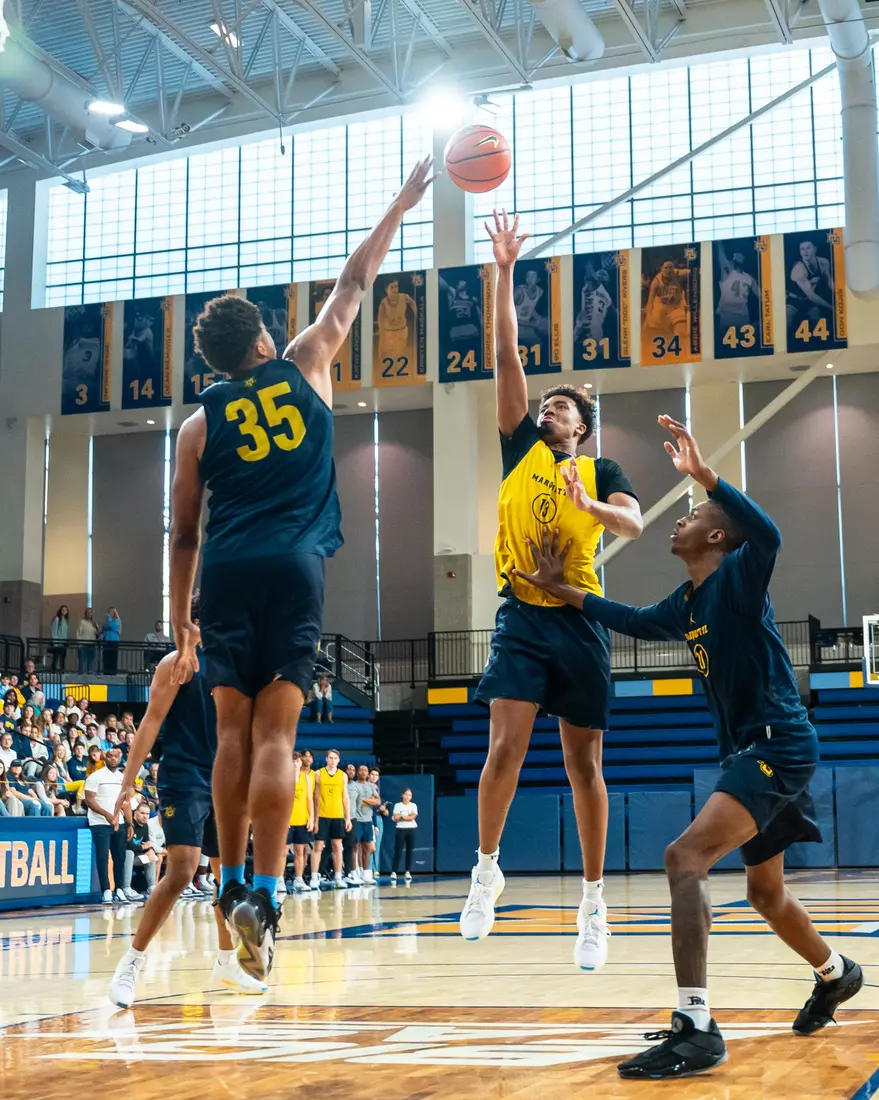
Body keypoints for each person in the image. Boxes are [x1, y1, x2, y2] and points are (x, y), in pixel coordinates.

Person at [514, 414, 865, 1079]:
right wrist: (561, 588)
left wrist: (707, 474)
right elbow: (632, 622)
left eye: (693, 511)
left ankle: (695, 1025)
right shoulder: (689, 601)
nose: (679, 518)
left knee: (683, 857)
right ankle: (835, 971)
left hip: (774, 746)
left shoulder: (737, 581)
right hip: (755, 752)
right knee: (765, 894)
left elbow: (769, 534)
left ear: (714, 536)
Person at [167, 157, 437, 979]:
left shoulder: (196, 425)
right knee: (279, 735)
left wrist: (179, 618)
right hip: (294, 567)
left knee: (231, 735)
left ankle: (228, 884)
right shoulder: (305, 359)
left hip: (225, 571)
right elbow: (355, 282)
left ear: (214, 365)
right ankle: (270, 895)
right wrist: (400, 200)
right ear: (259, 340)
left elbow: (182, 532)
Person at [459, 211, 642, 972]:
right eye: (546, 402)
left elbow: (630, 525)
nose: (548, 408)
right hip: (520, 618)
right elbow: (505, 352)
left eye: (562, 406)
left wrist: (585, 503)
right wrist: (504, 270)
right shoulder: (517, 450)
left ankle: (592, 903)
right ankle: (484, 872)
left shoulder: (599, 474)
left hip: (577, 620)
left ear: (583, 426)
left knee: (584, 768)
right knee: (504, 746)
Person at [109, 595, 265, 1004]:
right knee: (181, 870)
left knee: (229, 878)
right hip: (183, 776)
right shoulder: (175, 665)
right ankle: (131, 962)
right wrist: (129, 779)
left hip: (224, 780)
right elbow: (151, 721)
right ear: (198, 622)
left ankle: (228, 962)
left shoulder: (232, 665)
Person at [85, 746, 130, 904]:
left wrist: (129, 823)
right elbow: (89, 800)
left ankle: (119, 889)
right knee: (103, 857)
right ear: (105, 758)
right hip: (99, 822)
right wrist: (107, 815)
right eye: (110, 756)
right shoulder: (95, 776)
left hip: (119, 822)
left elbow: (125, 802)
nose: (113, 759)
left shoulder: (122, 777)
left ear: (120, 759)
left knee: (120, 857)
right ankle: (106, 891)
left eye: (116, 756)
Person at [310, 749, 351, 890]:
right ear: (326, 759)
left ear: (339, 760)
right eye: (330, 758)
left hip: (338, 815)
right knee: (318, 846)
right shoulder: (318, 774)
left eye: (335, 758)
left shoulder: (343, 776)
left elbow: (345, 797)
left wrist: (348, 818)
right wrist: (314, 819)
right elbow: (315, 797)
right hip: (322, 815)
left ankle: (338, 877)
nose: (333, 760)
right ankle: (314, 876)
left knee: (337, 847)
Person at [787, 239, 834, 330]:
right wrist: (832, 308)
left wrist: (840, 298)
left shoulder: (824, 262)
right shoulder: (799, 268)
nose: (805, 251)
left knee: (820, 325)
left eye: (808, 248)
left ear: (815, 249)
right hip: (793, 301)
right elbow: (812, 296)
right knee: (786, 327)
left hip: (808, 302)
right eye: (802, 249)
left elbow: (830, 283)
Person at [287, 750, 315, 892]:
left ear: (300, 762)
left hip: (302, 819)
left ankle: (299, 879)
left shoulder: (306, 778)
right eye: (292, 761)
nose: (295, 763)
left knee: (300, 851)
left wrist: (311, 817)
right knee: (283, 852)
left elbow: (309, 799)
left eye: (297, 761)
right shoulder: (283, 777)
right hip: (287, 820)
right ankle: (279, 880)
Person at [716, 249, 757, 332]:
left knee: (742, 342)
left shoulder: (750, 278)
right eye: (735, 256)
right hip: (726, 314)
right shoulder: (727, 273)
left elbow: (761, 295)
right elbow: (722, 259)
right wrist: (719, 244)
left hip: (742, 316)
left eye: (740, 255)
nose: (737, 256)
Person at [352, 764, 380, 886]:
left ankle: (367, 874)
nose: (363, 772)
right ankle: (357, 872)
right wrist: (369, 800)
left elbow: (378, 801)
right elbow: (355, 803)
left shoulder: (371, 786)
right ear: (358, 772)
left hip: (368, 821)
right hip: (357, 820)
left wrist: (364, 800)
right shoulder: (353, 785)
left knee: (368, 848)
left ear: (368, 773)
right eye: (361, 770)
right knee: (356, 847)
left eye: (365, 770)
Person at [391, 789, 418, 883]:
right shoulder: (397, 805)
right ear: (402, 795)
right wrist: (406, 816)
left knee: (409, 851)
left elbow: (412, 817)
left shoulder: (413, 805)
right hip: (400, 830)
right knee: (397, 851)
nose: (407, 796)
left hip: (411, 829)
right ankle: (394, 872)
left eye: (409, 795)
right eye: (406, 794)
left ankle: (407, 871)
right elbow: (395, 817)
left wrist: (402, 816)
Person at [77, 608, 99, 674]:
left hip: (92, 644)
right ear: (85, 614)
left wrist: (98, 633)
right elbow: (78, 633)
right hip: (83, 644)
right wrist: (79, 643)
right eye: (88, 612)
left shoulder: (94, 623)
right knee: (82, 661)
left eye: (90, 612)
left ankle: (89, 673)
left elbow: (97, 633)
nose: (89, 614)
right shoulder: (82, 622)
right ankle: (81, 675)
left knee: (91, 660)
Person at [101, 607, 122, 674]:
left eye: (112, 611)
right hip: (106, 641)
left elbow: (112, 626)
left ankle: (113, 672)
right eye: (109, 611)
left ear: (114, 613)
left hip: (114, 641)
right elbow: (104, 629)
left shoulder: (117, 620)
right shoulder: (106, 622)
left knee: (113, 657)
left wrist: (109, 619)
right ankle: (106, 671)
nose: (110, 613)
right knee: (106, 657)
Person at [50, 605, 70, 672]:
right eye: (63, 610)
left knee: (63, 658)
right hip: (57, 643)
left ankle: (62, 671)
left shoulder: (66, 620)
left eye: (66, 610)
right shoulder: (57, 619)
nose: (64, 611)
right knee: (56, 658)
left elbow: (66, 632)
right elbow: (54, 631)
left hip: (64, 643)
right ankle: (53, 671)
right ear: (60, 611)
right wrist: (55, 643)